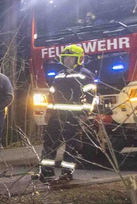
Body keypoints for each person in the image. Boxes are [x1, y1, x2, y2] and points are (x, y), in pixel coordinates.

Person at [40, 44, 97, 183]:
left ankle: (67, 173)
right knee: (49, 144)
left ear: (79, 59)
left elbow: (90, 95)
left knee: (72, 146)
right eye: (65, 58)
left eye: (71, 58)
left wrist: (85, 112)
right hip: (56, 116)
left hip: (73, 116)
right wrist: (48, 111)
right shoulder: (59, 75)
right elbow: (51, 95)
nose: (67, 61)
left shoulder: (85, 75)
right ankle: (46, 172)